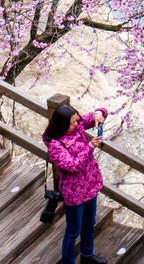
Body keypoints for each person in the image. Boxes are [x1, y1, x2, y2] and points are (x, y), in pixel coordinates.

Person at [43, 103, 110, 264]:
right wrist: (89, 146)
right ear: (61, 124)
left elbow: (101, 112)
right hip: (74, 192)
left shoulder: (77, 125)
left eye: (76, 120)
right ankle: (68, 261)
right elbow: (72, 165)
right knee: (73, 231)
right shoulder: (55, 144)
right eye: (72, 122)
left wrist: (98, 114)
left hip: (90, 184)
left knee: (89, 223)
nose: (77, 124)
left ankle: (87, 255)